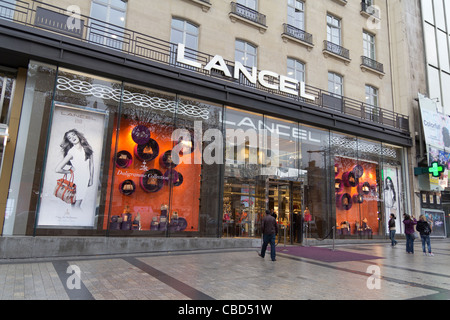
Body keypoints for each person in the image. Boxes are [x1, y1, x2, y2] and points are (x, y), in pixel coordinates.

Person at [56, 129, 94, 208]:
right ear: (69, 141)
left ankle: (75, 219)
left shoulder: (87, 148)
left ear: (77, 135)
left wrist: (91, 179)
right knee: (75, 206)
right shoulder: (72, 152)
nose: (72, 137)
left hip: (84, 179)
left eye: (73, 135)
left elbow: (91, 165)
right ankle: (79, 219)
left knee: (75, 206)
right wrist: (69, 172)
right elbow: (58, 169)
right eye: (69, 137)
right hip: (76, 181)